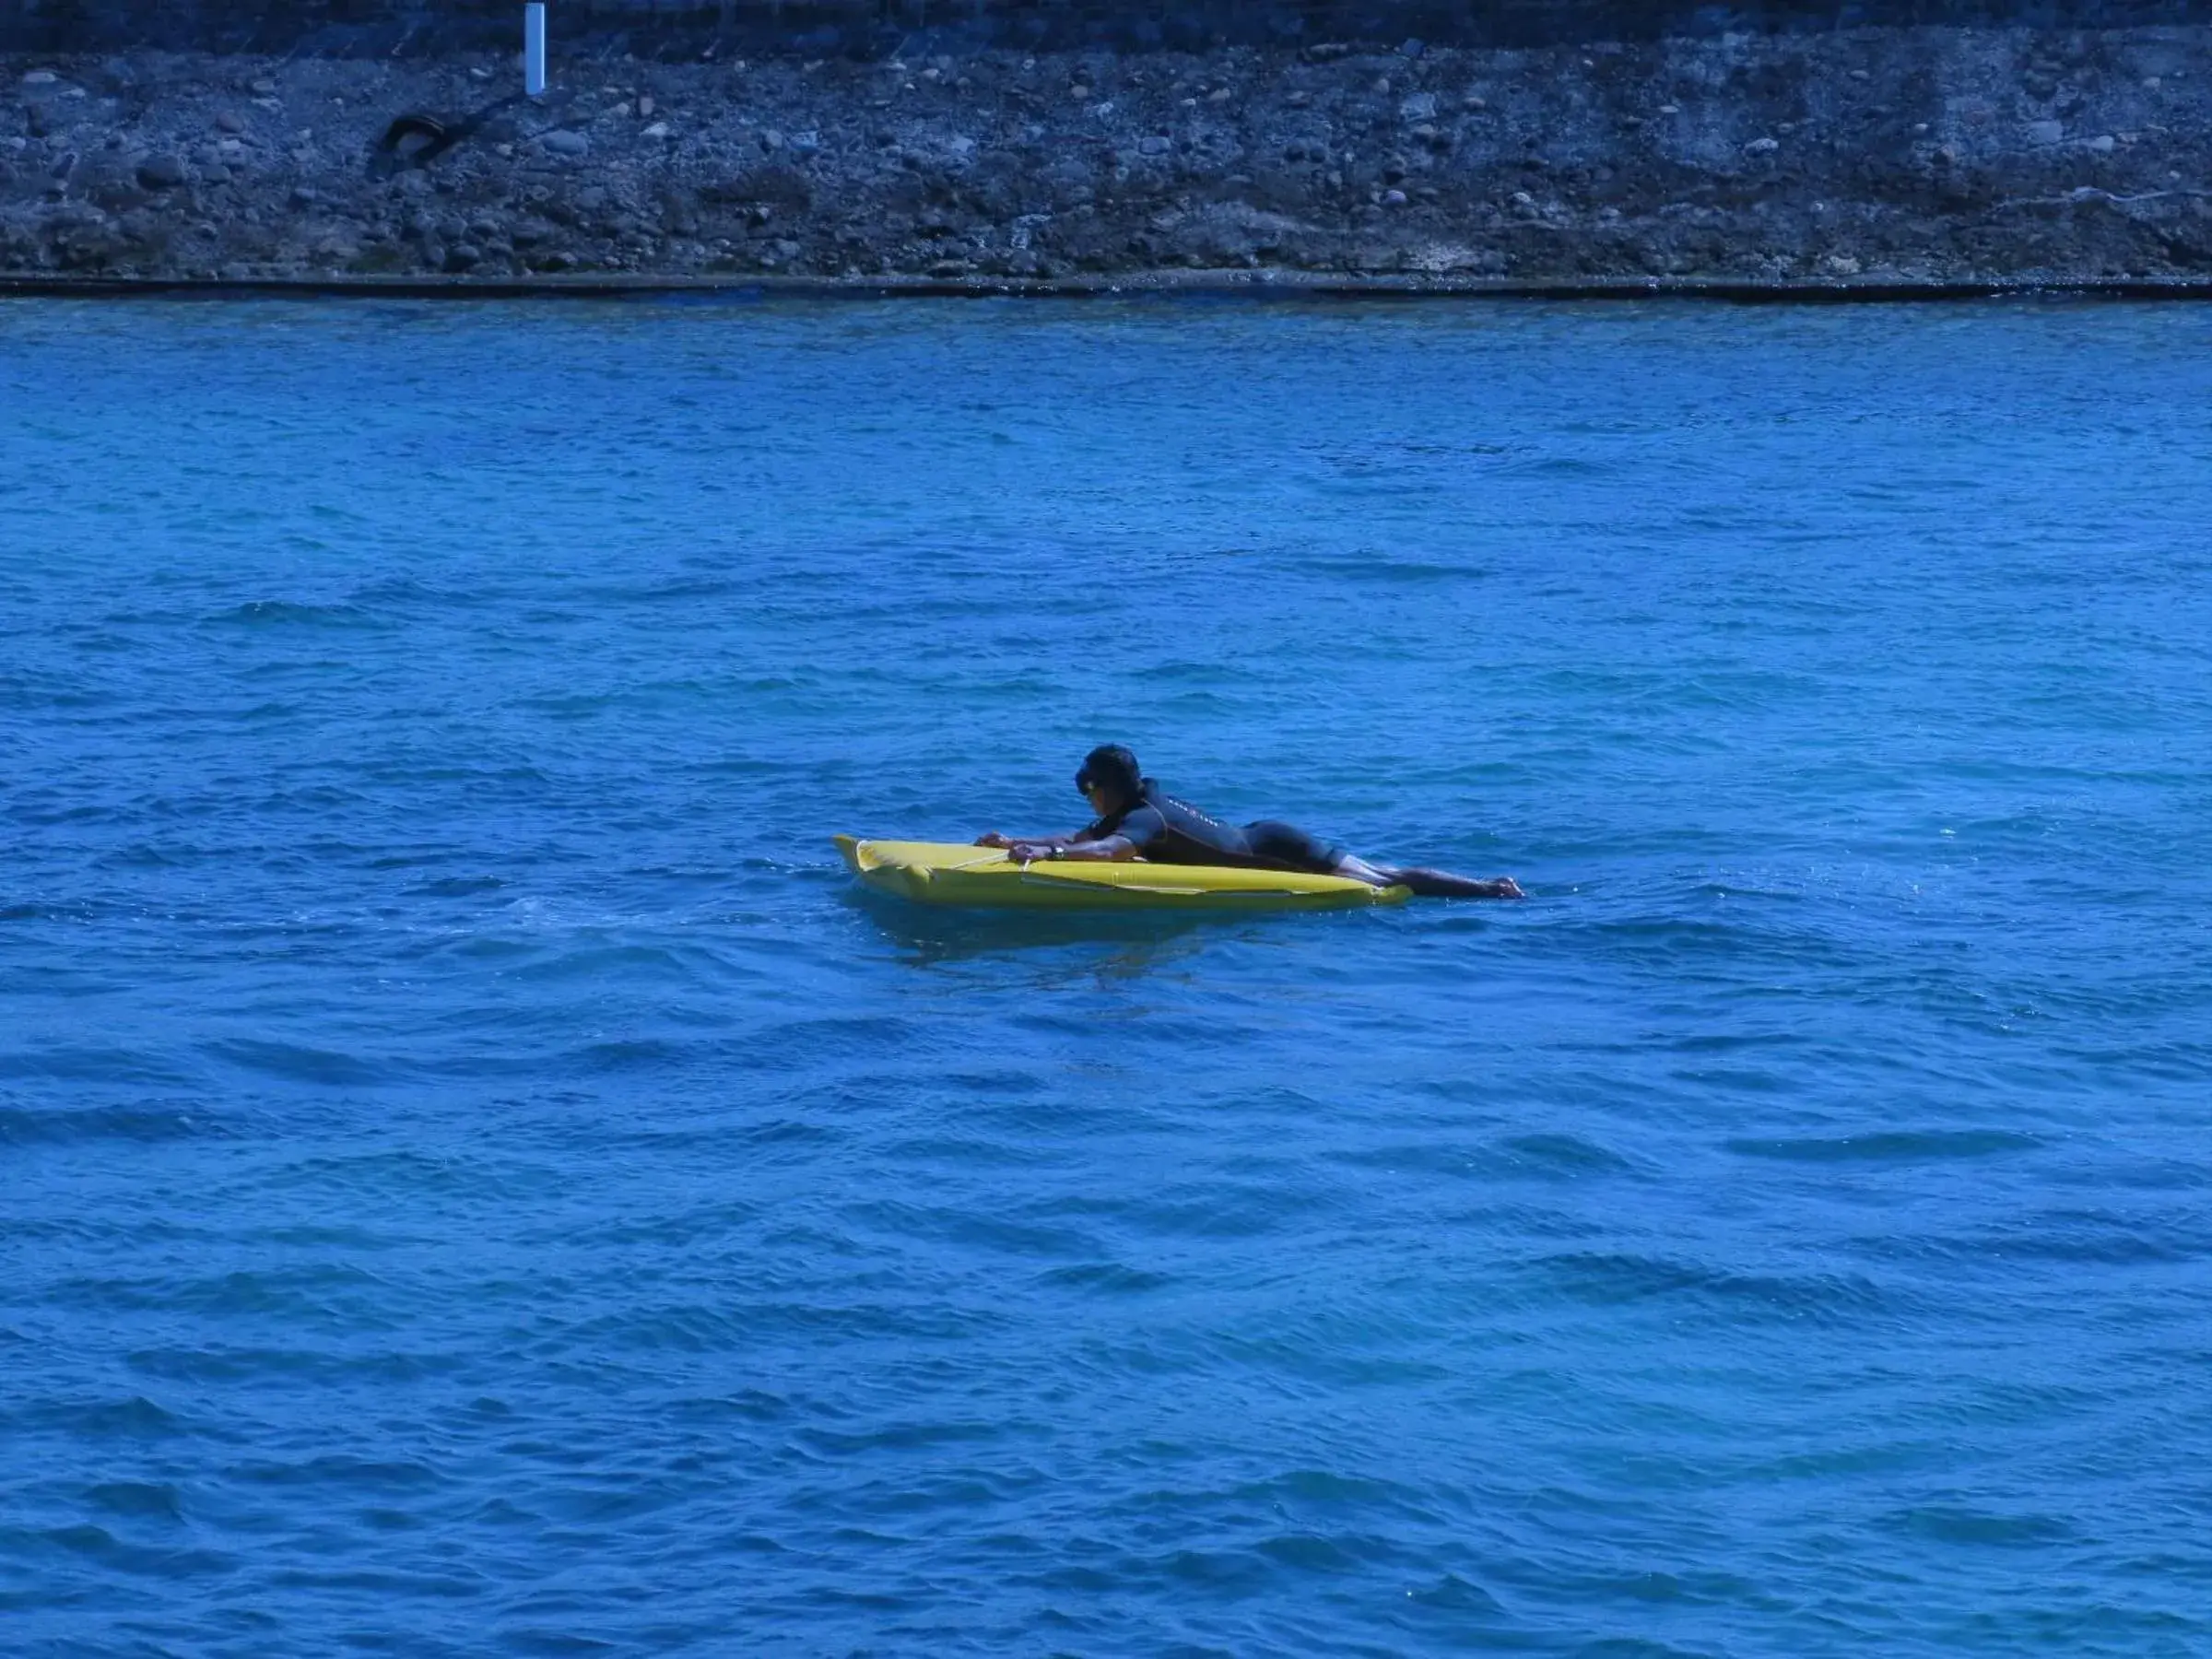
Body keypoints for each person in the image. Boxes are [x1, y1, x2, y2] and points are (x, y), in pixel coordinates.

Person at [975, 744, 1524, 900]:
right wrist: (1018, 841)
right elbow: (1083, 839)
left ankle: (1493, 890)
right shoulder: (1139, 808)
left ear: (1108, 789)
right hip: (1265, 832)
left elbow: (1108, 852)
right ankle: (1491, 887)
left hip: (1277, 850)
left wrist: (1046, 859)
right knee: (1386, 871)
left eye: (1087, 788)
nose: (1086, 799)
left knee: (1386, 882)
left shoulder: (1140, 820)